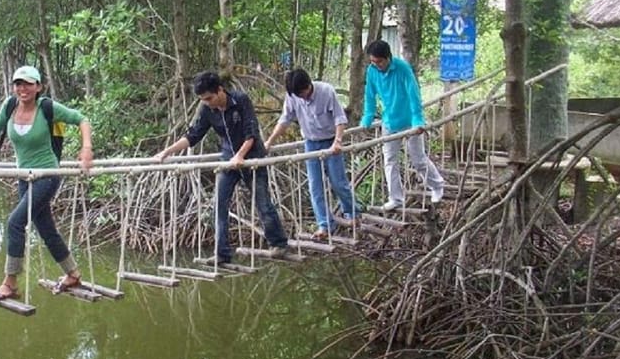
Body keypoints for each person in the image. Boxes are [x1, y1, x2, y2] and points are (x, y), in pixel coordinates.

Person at [0, 65, 93, 299]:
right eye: (18, 83)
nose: (22, 88)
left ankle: (10, 282)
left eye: (28, 83)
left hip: (46, 175)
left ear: (38, 87)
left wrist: (86, 148)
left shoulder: (47, 107)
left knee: (15, 223)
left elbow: (81, 119)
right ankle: (73, 273)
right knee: (46, 229)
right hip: (23, 177)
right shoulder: (9, 107)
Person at [154, 71, 289, 263]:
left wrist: (241, 156)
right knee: (219, 204)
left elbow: (251, 132)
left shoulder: (240, 100)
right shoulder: (207, 109)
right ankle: (222, 253)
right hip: (228, 159)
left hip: (252, 157)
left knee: (263, 202)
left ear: (220, 90)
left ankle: (278, 243)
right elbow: (193, 135)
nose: (207, 102)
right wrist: (166, 152)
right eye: (203, 100)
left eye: (209, 98)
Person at [265, 68, 359, 241]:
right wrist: (269, 142)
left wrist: (338, 140)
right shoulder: (293, 96)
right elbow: (284, 120)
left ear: (309, 85)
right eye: (298, 95)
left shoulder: (326, 91)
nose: (303, 98)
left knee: (338, 182)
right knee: (315, 186)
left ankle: (352, 212)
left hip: (331, 141)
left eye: (304, 93)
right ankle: (324, 224)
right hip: (310, 142)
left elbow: (339, 118)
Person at [359, 40, 445, 211]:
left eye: (379, 62)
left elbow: (414, 93)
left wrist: (418, 120)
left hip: (409, 120)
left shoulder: (402, 68)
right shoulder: (372, 71)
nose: (376, 65)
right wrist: (367, 117)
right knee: (390, 160)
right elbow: (370, 95)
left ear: (388, 58)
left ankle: (437, 186)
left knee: (418, 159)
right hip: (389, 121)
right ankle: (396, 198)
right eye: (373, 62)